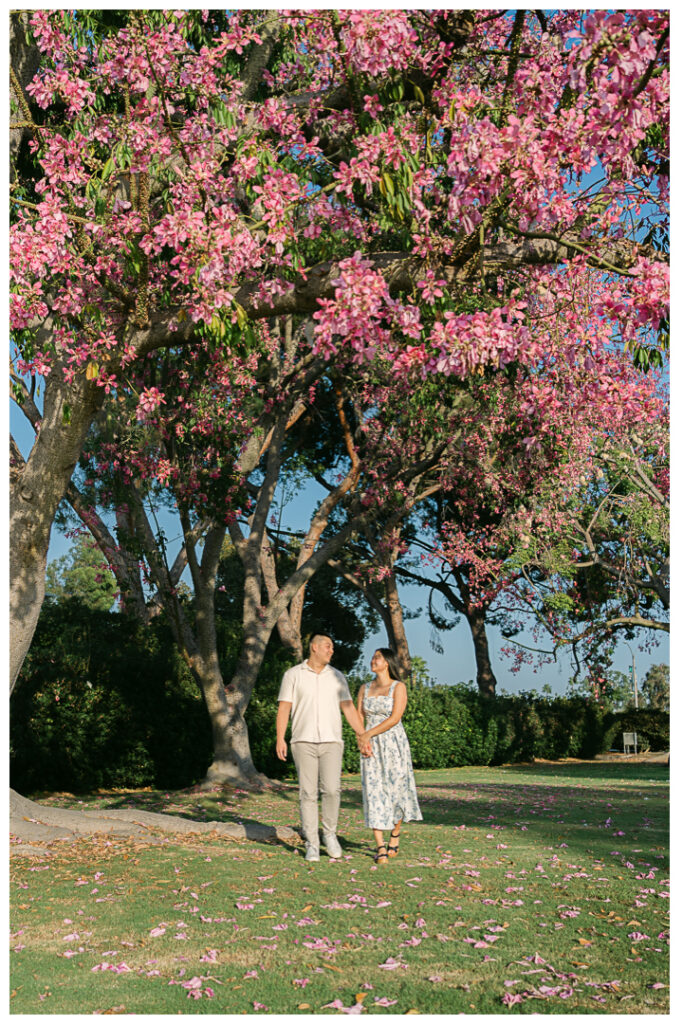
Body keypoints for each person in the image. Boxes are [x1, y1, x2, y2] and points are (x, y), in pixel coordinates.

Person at [276, 634, 371, 862]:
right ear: (314, 648)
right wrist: (281, 738)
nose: (332, 650)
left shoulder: (337, 677)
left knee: (331, 790)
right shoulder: (293, 675)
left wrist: (363, 735)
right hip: (302, 741)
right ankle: (312, 844)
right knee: (307, 793)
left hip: (331, 741)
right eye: (328, 646)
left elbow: (348, 709)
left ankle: (329, 835)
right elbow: (284, 709)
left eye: (332, 646)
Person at [356, 647, 422, 863]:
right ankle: (380, 846)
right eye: (373, 657)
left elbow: (395, 718)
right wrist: (361, 739)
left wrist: (368, 734)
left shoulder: (398, 687)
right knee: (374, 791)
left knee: (396, 791)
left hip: (394, 744)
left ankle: (394, 835)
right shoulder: (364, 688)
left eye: (378, 657)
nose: (373, 660)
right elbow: (358, 717)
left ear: (387, 662)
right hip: (370, 746)